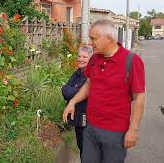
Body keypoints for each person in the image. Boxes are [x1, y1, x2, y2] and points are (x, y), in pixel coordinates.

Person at [63, 19, 146, 163]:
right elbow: (89, 84)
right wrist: (73, 101)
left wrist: (133, 130)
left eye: (93, 38)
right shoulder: (94, 59)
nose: (90, 42)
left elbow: (139, 98)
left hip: (116, 132)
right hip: (91, 128)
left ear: (108, 38)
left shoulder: (132, 61)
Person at [61, 46, 93, 157]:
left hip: (87, 119)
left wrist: (69, 89)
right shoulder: (78, 72)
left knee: (87, 150)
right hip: (78, 119)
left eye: (85, 57)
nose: (81, 59)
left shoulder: (89, 75)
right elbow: (66, 91)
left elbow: (69, 92)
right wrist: (69, 89)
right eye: (79, 56)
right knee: (81, 146)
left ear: (91, 59)